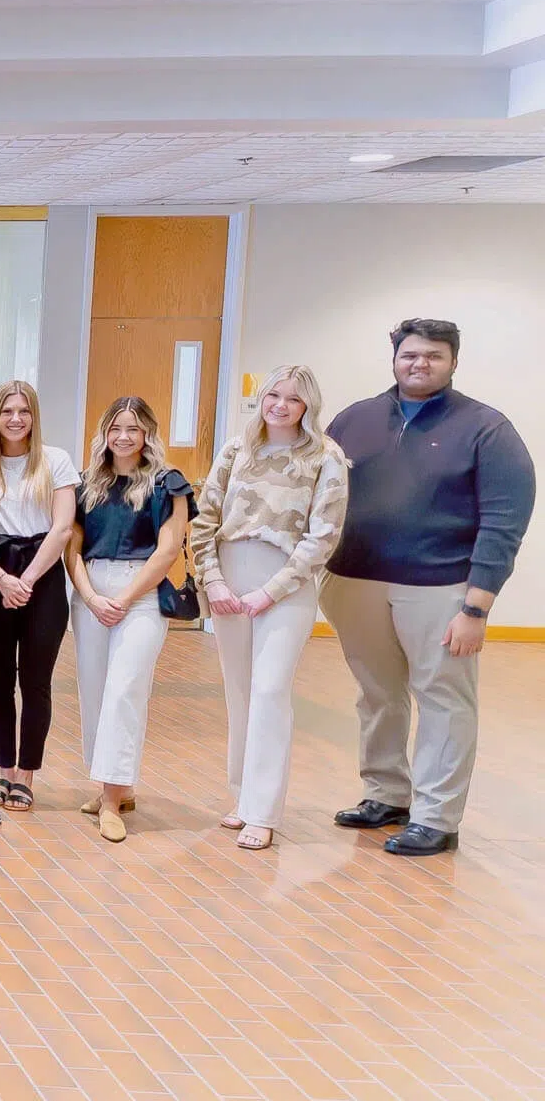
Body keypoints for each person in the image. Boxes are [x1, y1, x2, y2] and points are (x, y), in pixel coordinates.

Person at [322, 319, 535, 856]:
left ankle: (436, 816)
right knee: (377, 694)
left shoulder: (487, 428)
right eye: (411, 355)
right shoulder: (355, 420)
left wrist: (477, 606)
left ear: (453, 362)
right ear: (394, 357)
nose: (420, 364)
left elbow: (505, 519)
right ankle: (386, 793)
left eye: (434, 356)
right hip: (355, 582)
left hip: (441, 587)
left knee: (443, 700)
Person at [192, 365, 349, 851]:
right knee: (239, 692)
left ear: (309, 407)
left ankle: (264, 812)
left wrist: (271, 591)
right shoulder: (237, 450)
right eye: (273, 395)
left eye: (294, 399)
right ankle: (242, 798)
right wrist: (213, 582)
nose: (280, 405)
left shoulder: (326, 457)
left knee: (270, 689)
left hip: (287, 583)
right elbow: (204, 521)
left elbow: (323, 536)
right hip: (228, 580)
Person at [65, 397, 193, 844]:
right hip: (92, 589)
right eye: (115, 428)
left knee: (125, 689)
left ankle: (111, 800)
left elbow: (168, 549)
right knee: (95, 690)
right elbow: (72, 548)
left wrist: (122, 597)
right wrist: (90, 595)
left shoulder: (167, 483)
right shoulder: (86, 484)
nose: (123, 436)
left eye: (133, 429)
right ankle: (112, 782)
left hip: (140, 592)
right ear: (104, 433)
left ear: (147, 435)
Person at [0, 381, 78, 813]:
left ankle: (26, 774)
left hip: (43, 577)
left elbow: (63, 527)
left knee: (35, 681)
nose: (15, 419)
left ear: (34, 415)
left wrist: (27, 580)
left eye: (24, 411)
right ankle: (3, 769)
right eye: (7, 412)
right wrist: (1, 578)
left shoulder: (56, 461)